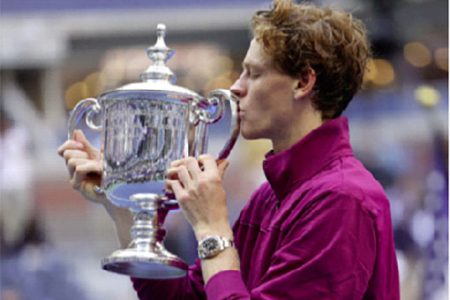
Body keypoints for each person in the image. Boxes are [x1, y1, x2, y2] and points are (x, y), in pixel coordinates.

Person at [57, 0, 400, 299]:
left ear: (303, 82)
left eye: (254, 74)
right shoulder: (270, 198)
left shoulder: (342, 199)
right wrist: (123, 203)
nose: (236, 87)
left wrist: (212, 229)